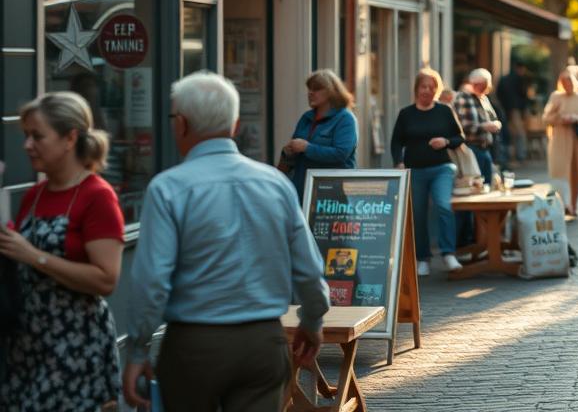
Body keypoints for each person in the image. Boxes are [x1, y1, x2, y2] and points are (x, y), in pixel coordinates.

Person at [122, 72, 329, 411]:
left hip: (193, 346)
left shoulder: (169, 188)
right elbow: (308, 266)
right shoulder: (275, 184)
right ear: (234, 126)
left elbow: (152, 282)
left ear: (182, 124)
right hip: (262, 342)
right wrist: (312, 321)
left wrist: (137, 350)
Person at [0, 92, 123, 411]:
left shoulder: (97, 196)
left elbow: (106, 280)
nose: (27, 145)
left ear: (70, 138)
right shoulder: (35, 195)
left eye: (37, 136)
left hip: (75, 348)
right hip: (27, 347)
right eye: (26, 136)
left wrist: (33, 256)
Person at [392, 69, 467, 275]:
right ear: (416, 89)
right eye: (423, 86)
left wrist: (446, 141)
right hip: (414, 170)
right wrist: (398, 161)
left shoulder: (444, 111)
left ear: (437, 90)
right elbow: (396, 142)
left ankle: (448, 254)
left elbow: (460, 137)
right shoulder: (406, 114)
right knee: (418, 213)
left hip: (441, 168)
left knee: (443, 206)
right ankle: (422, 258)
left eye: (431, 87)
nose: (427, 90)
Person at [280, 69, 358, 199]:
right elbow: (295, 154)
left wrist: (307, 148)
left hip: (333, 194)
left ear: (331, 92)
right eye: (309, 89)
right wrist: (288, 152)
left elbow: (341, 153)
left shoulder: (345, 118)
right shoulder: (306, 117)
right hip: (301, 191)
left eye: (316, 89)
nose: (310, 93)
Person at [543, 66, 578, 217]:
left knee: (576, 174)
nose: (568, 85)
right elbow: (546, 118)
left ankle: (573, 205)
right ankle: (563, 204)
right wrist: (559, 117)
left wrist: (576, 118)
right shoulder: (556, 97)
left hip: (577, 141)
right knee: (559, 172)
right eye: (564, 82)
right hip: (559, 140)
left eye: (570, 82)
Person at [454, 68, 502, 184]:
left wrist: (496, 124)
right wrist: (484, 126)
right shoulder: (463, 97)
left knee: (488, 184)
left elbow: (494, 118)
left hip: (486, 147)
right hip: (471, 147)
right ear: (476, 84)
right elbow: (463, 126)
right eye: (484, 85)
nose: (486, 88)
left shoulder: (483, 98)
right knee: (476, 184)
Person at [496, 63, 533, 166]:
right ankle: (520, 156)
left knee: (510, 133)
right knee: (520, 134)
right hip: (517, 109)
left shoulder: (504, 79)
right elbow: (524, 94)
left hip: (505, 109)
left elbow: (499, 93)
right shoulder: (520, 79)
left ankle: (510, 156)